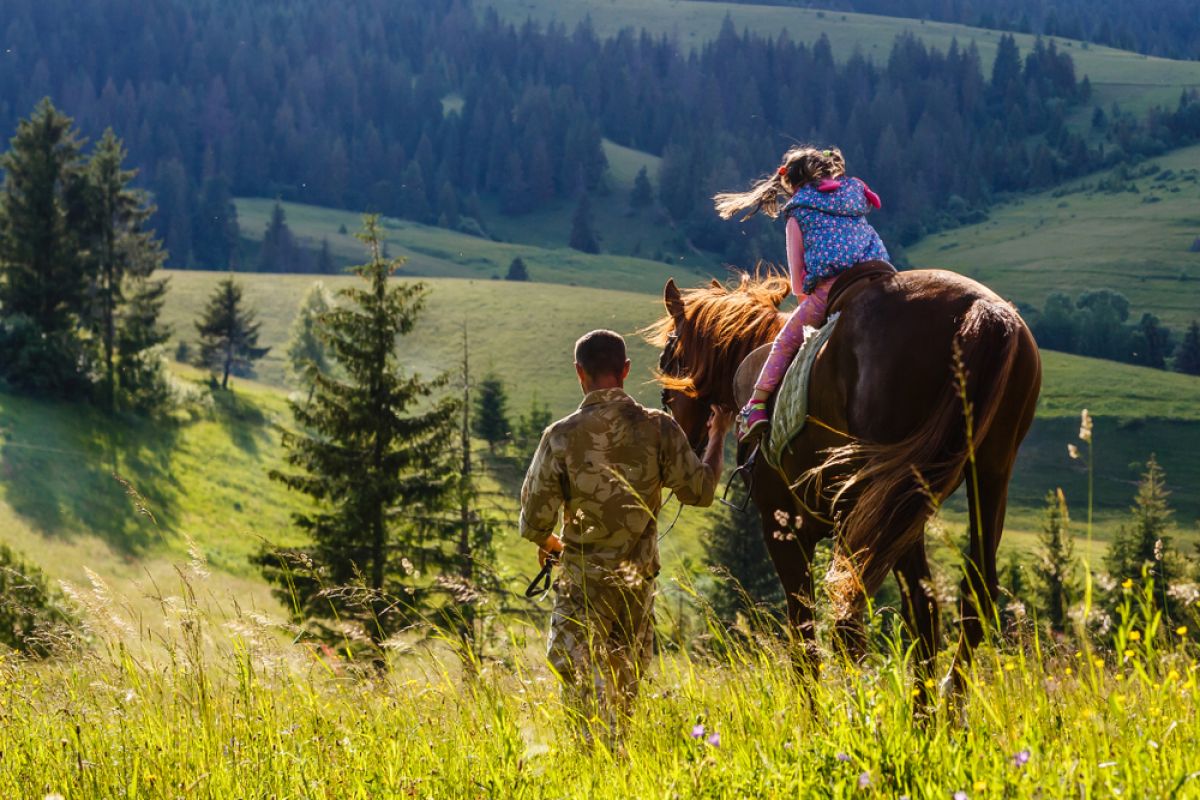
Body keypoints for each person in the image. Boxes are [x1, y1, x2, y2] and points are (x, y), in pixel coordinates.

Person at [519, 329, 731, 740]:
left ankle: (595, 760)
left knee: (578, 676)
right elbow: (701, 491)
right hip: (637, 584)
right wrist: (719, 432)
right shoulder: (659, 429)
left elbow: (533, 521)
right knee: (625, 681)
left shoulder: (560, 436)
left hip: (583, 582)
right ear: (627, 371)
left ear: (580, 373)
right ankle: (620, 758)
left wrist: (551, 545)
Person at [713, 145, 890, 439]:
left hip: (833, 289)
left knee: (784, 342)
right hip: (880, 278)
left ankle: (756, 405)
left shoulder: (797, 213)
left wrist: (809, 308)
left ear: (791, 184)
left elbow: (797, 282)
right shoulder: (852, 196)